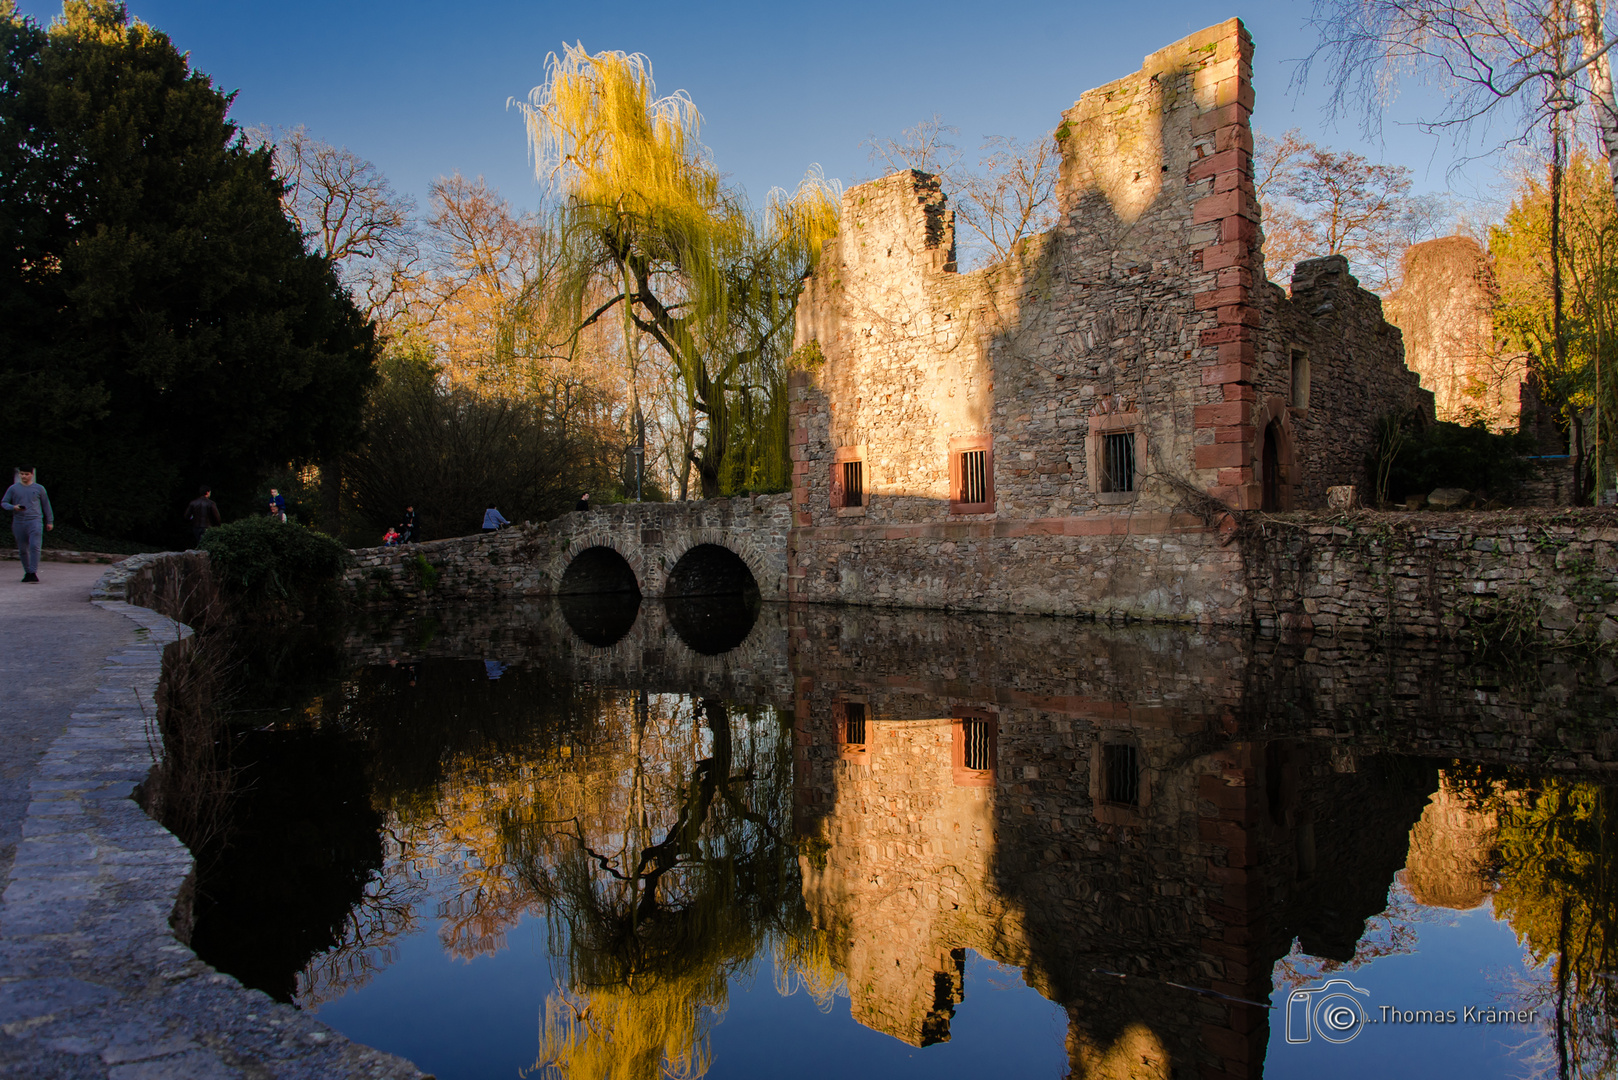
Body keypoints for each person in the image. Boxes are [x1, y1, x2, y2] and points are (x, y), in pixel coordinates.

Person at [3, 466, 54, 584]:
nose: (24, 476)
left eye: (26, 474)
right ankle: (27, 572)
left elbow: (46, 505)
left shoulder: (39, 488)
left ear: (31, 475)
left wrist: (50, 521)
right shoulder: (13, 488)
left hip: (35, 520)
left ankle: (33, 572)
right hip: (19, 521)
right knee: (22, 549)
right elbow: (4, 502)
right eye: (22, 474)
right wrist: (13, 507)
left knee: (34, 546)